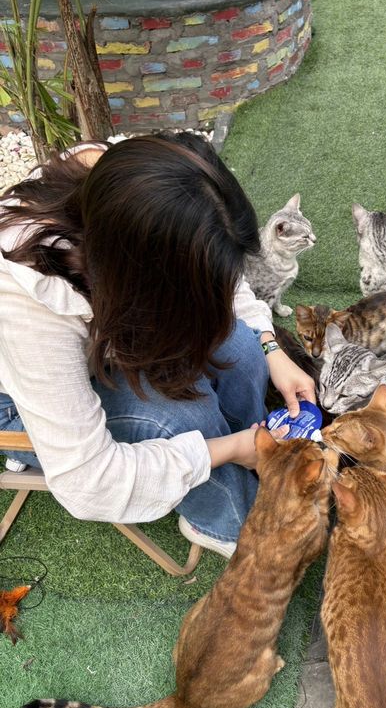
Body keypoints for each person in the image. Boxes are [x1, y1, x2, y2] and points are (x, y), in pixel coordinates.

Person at [0, 133, 316, 559]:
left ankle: (263, 459)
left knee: (240, 351)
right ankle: (230, 524)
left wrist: (269, 346)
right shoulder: (26, 305)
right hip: (20, 404)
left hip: (105, 337)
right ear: (141, 278)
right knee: (188, 418)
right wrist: (227, 450)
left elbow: (208, 262)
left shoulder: (135, 180)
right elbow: (87, 481)